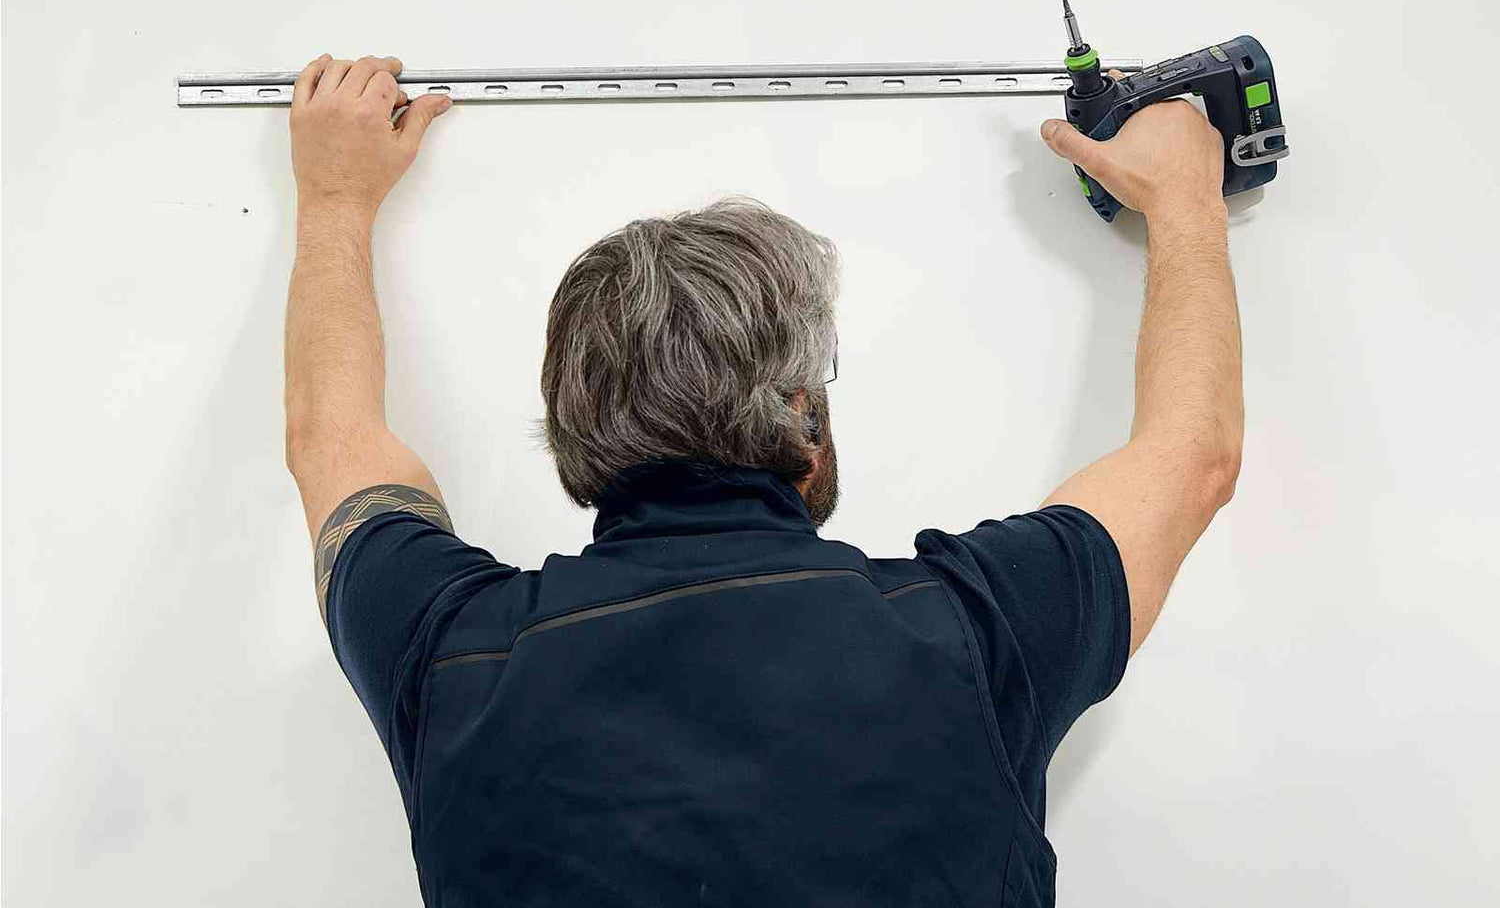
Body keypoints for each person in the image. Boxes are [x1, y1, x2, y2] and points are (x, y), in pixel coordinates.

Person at [284, 53, 1242, 907]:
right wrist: (1184, 202)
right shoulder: (976, 629)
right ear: (803, 422)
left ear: (575, 438)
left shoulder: (450, 656)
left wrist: (333, 198)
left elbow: (331, 440)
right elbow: (1192, 453)